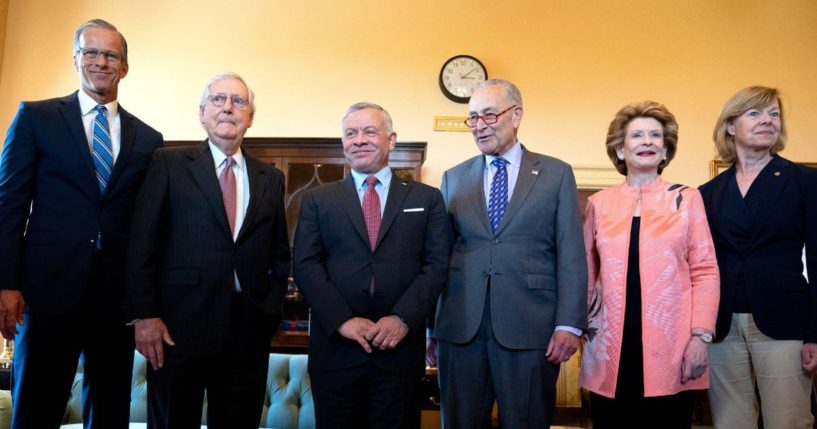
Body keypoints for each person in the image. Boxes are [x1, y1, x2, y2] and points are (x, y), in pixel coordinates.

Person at [0, 19, 163, 429]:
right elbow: (9, 204)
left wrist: (145, 302)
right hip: (45, 291)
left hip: (114, 299)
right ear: (76, 59)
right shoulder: (36, 118)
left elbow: (148, 228)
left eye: (111, 55)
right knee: (36, 408)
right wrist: (6, 283)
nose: (101, 61)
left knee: (109, 413)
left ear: (124, 67)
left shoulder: (149, 139)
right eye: (91, 52)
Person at [125, 72, 290, 429]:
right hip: (175, 329)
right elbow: (142, 244)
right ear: (202, 113)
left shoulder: (271, 178)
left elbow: (280, 252)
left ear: (250, 117)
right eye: (218, 100)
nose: (228, 107)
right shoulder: (168, 163)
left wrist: (269, 309)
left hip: (247, 331)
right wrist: (144, 316)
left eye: (238, 101)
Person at [431, 79, 587, 428]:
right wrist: (431, 327)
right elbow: (437, 258)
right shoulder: (453, 178)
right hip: (460, 328)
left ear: (516, 115)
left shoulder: (555, 174)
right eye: (472, 118)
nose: (480, 125)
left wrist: (569, 324)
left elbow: (572, 253)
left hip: (530, 327)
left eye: (489, 114)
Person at [292, 102, 451, 429]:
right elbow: (306, 265)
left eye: (369, 131)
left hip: (399, 353)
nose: (359, 140)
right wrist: (343, 321)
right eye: (351, 133)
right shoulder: (318, 200)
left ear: (391, 140)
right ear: (343, 144)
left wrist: (402, 318)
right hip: (336, 351)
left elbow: (436, 265)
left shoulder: (427, 198)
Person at [581, 101, 720, 428]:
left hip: (672, 345)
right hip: (609, 345)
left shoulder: (687, 199)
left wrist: (701, 337)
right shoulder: (598, 204)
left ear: (665, 148)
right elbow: (586, 273)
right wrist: (581, 328)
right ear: (619, 149)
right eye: (637, 135)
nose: (648, 142)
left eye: (656, 136)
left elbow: (705, 270)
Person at [699, 86, 817, 428]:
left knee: (788, 421)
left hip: (785, 322)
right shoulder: (708, 193)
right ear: (731, 126)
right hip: (721, 326)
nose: (768, 120)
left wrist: (815, 333)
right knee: (730, 421)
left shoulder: (804, 181)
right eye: (755, 113)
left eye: (774, 114)